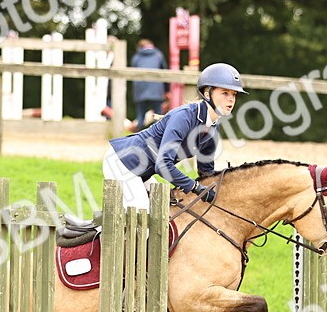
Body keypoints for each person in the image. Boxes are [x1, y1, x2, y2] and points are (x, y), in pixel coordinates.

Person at [103, 62, 245, 211]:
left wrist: (223, 188)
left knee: (164, 210)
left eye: (234, 94)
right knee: (142, 213)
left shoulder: (213, 129)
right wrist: (194, 187)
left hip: (143, 171)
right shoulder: (184, 117)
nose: (231, 99)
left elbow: (206, 173)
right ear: (208, 93)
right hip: (121, 161)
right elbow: (163, 164)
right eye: (225, 93)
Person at [129, 38, 169, 132]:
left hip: (140, 88)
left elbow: (132, 72)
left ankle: (138, 135)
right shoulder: (158, 54)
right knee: (158, 115)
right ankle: (157, 135)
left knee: (140, 115)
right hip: (156, 87)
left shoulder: (137, 56)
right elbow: (165, 72)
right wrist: (167, 90)